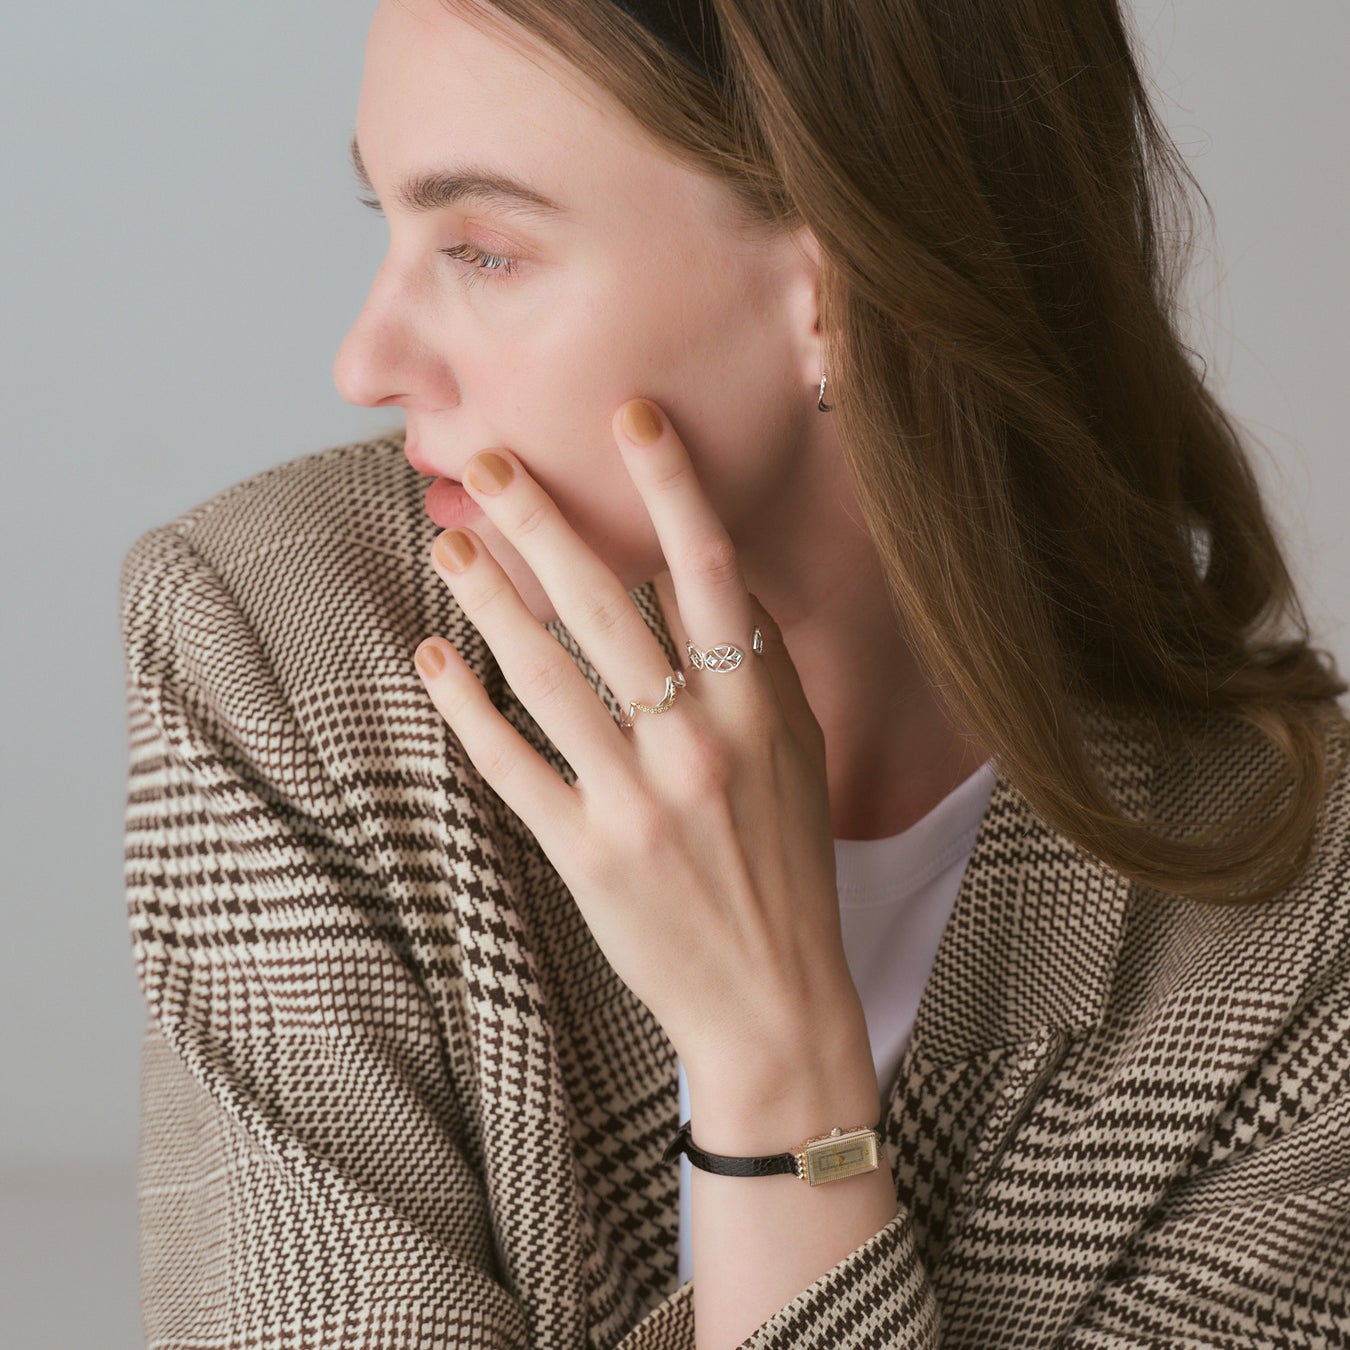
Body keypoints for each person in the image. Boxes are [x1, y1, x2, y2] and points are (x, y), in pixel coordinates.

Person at [119, 0, 1350, 1345]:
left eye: (482, 250)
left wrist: (777, 1081)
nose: (364, 362)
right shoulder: (284, 647)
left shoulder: (1301, 927)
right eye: (390, 222)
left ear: (835, 295)